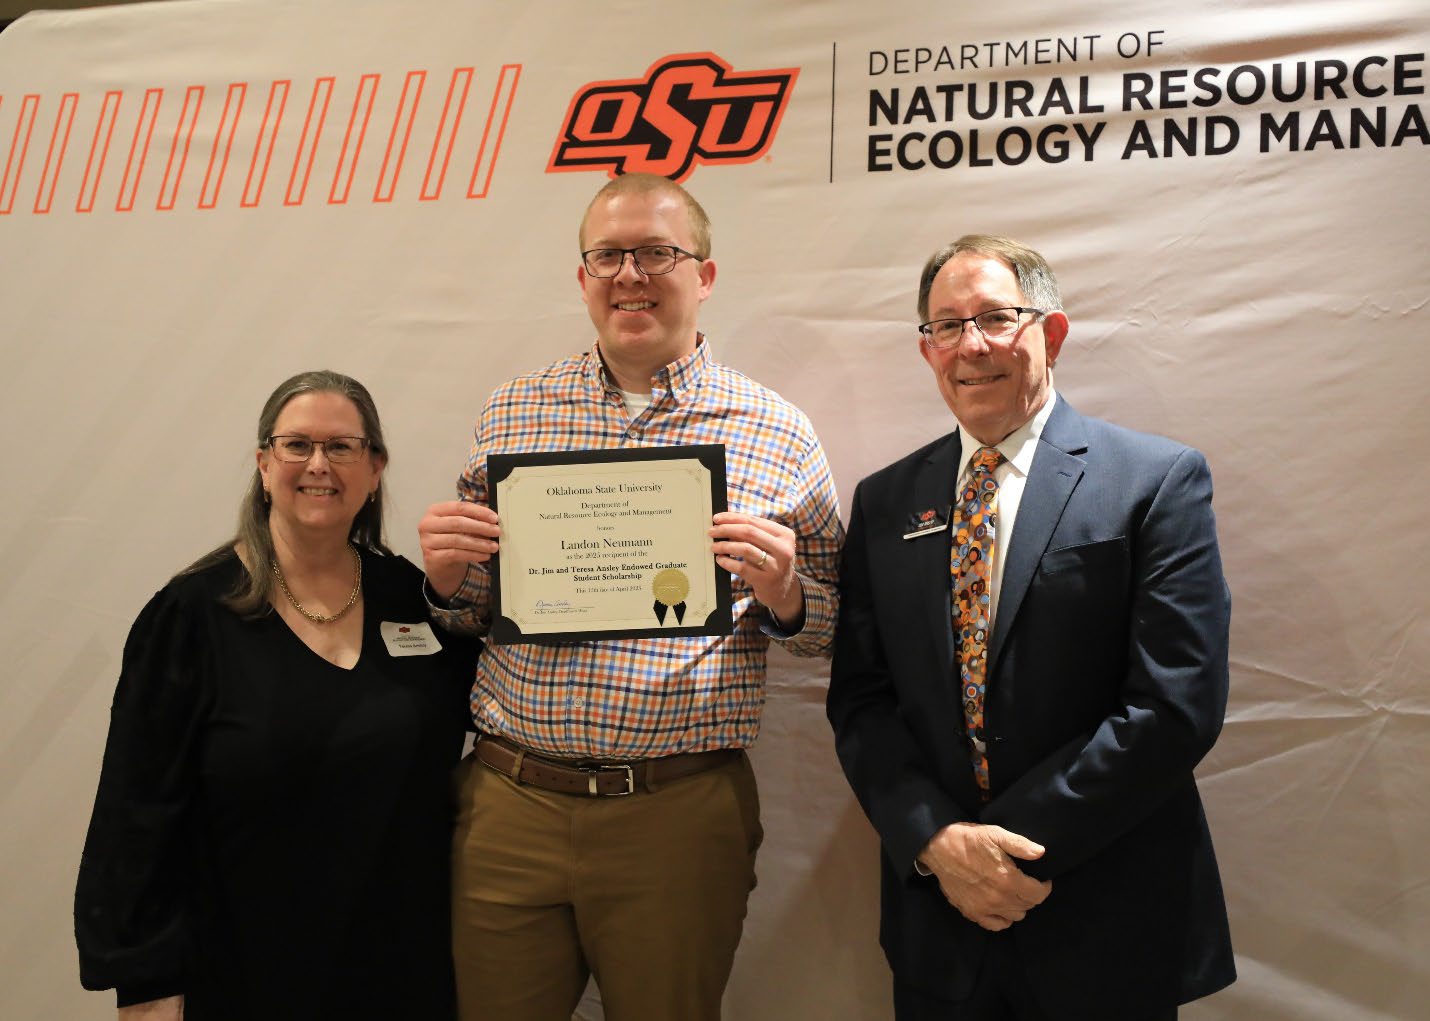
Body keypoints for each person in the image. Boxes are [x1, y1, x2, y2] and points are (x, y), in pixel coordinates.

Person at [417, 173, 843, 1021]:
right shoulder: (512, 414)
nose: (630, 275)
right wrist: (442, 580)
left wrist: (791, 591)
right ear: (582, 278)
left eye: (656, 252)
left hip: (677, 815)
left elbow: (831, 629)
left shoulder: (777, 428)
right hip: (510, 804)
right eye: (607, 255)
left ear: (705, 275)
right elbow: (469, 612)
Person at [826, 236, 1234, 1020]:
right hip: (939, 925)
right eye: (945, 326)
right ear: (926, 350)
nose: (970, 345)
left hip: (1103, 915)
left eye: (994, 318)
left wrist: (998, 845)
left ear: (1051, 333)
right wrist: (938, 842)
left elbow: (1175, 705)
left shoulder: (1154, 482)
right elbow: (862, 702)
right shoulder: (884, 501)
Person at [75, 370, 476, 1021]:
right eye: (297, 445)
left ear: (375, 468)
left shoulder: (415, 599)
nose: (319, 464)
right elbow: (135, 815)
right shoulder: (191, 614)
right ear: (264, 464)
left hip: (404, 970)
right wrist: (145, 985)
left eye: (343, 446)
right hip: (245, 974)